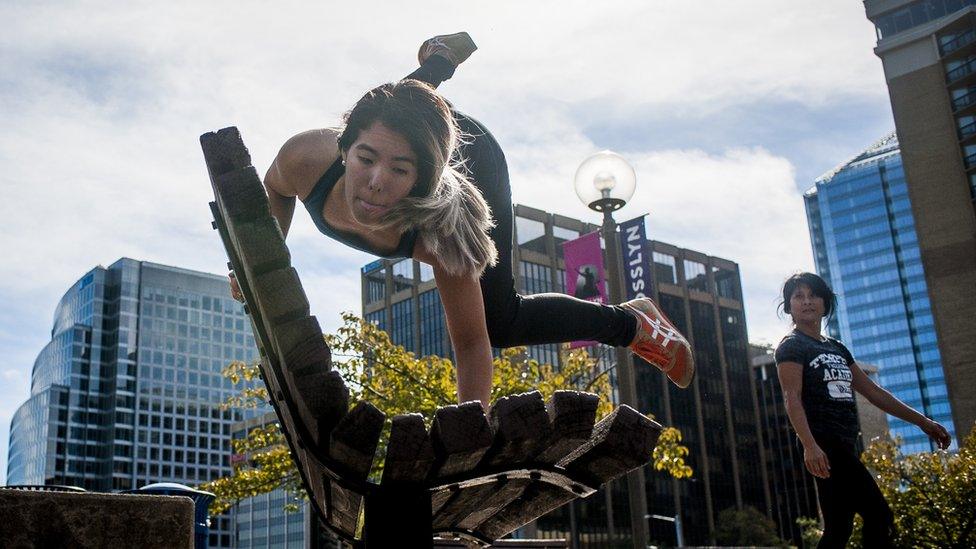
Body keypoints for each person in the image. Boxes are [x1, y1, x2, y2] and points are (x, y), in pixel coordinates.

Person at [232, 33, 694, 408]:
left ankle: (633, 323)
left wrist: (466, 432)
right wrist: (265, 260)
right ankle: (438, 63)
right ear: (343, 149)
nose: (374, 183)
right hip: (404, 128)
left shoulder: (442, 231)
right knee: (390, 116)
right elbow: (274, 189)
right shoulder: (306, 157)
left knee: (501, 320)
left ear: (421, 180)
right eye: (363, 159)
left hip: (473, 158)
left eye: (399, 172)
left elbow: (473, 344)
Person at [774, 272, 951, 548]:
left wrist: (923, 422)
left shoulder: (837, 348)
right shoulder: (792, 346)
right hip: (824, 443)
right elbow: (791, 397)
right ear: (789, 306)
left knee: (839, 528)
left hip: (846, 443)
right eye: (799, 297)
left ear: (825, 303)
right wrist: (810, 445)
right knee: (879, 515)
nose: (807, 302)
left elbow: (873, 392)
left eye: (813, 295)